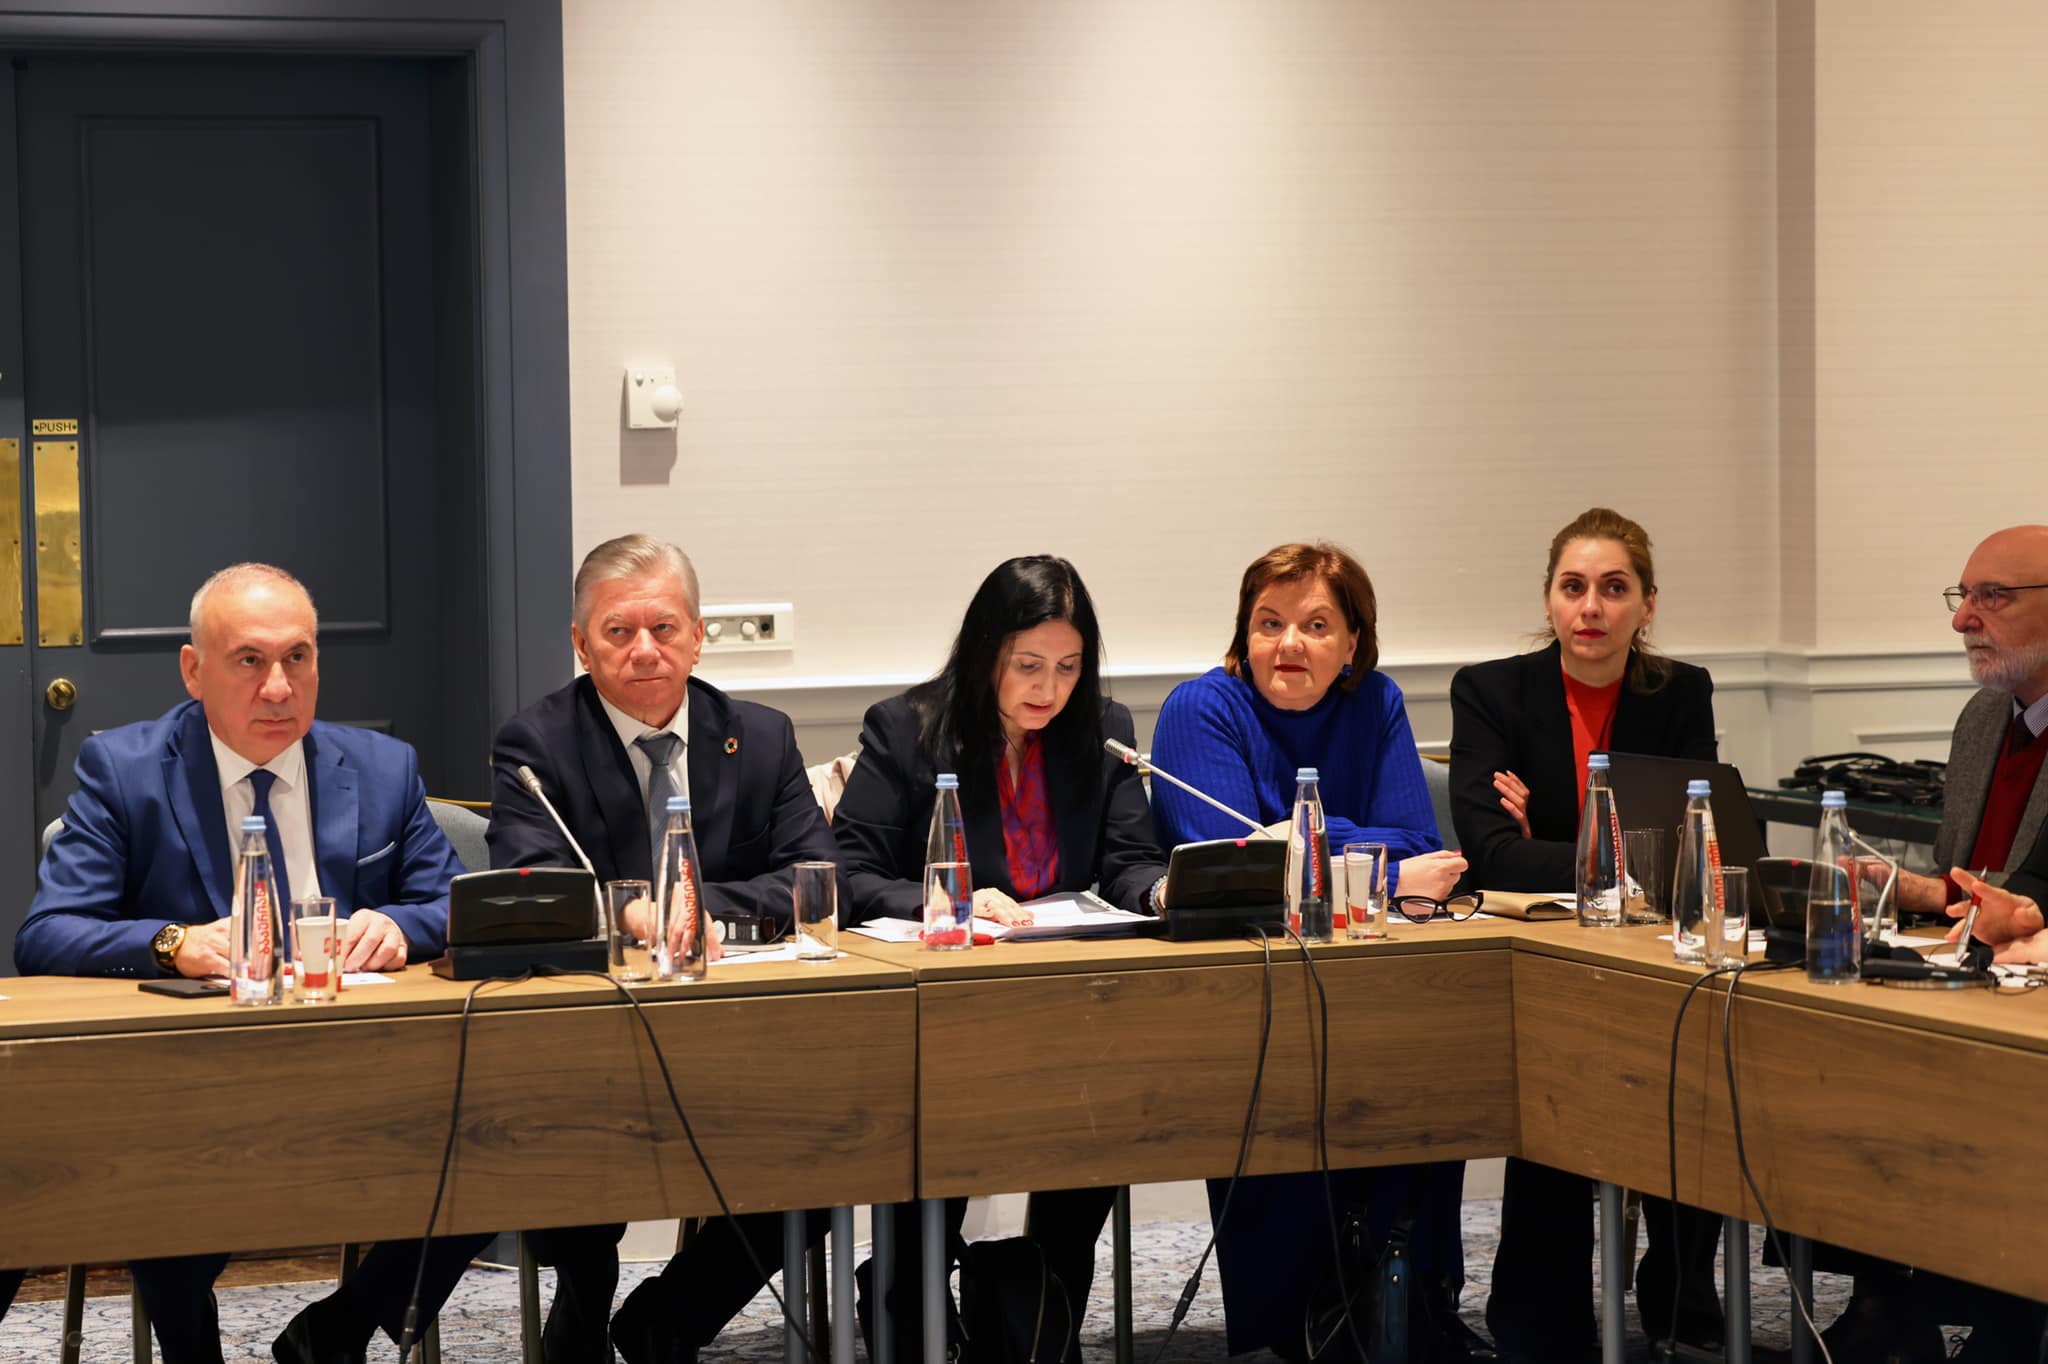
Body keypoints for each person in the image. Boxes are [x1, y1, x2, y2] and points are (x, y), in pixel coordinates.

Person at [276, 534, 840, 1364]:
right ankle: (573, 1288)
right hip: (586, 1037)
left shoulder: (759, 736)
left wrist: (688, 908)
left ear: (697, 636)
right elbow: (532, 885)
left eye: (664, 628)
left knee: (840, 1131)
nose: (644, 650)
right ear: (581, 643)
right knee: (528, 1135)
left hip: (739, 1028)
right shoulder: (537, 744)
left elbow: (815, 878)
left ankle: (669, 1318)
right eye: (618, 631)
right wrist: (630, 912)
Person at [16, 563, 464, 1364]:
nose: (279, 687)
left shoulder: (383, 769)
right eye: (250, 660)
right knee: (156, 1168)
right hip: (195, 1084)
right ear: (195, 672)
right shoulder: (124, 770)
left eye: (298, 658)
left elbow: (457, 907)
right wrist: (173, 944)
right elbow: (49, 933)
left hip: (367, 1071)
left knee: (499, 1138)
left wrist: (398, 926)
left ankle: (341, 1329)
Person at [1149, 541, 1482, 1364]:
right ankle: (1301, 1325)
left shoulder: (1377, 702)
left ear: (1353, 644)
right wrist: (1378, 864)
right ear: (1243, 635)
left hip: (1371, 975)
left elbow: (1423, 843)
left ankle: (1411, 1304)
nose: (1288, 644)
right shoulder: (1200, 709)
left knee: (1437, 1061)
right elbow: (1230, 870)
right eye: (1268, 624)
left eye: (1315, 626)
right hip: (1245, 990)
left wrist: (1300, 840)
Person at [833, 554, 1168, 1362]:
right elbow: (845, 872)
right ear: (987, 652)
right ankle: (912, 1295)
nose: (1049, 688)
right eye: (1028, 665)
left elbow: (1128, 860)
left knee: (1100, 1125)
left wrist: (1162, 890)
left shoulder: (1104, 731)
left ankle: (1043, 1308)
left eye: (1068, 667)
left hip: (1068, 999)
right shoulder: (908, 729)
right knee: (943, 1137)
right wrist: (946, 899)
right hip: (946, 1007)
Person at [1447, 507, 1721, 1362]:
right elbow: (1490, 855)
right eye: (1573, 587)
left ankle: (1681, 1292)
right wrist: (1603, 853)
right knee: (1555, 1101)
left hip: (1654, 952)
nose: (1591, 607)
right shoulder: (1490, 692)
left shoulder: (1681, 692)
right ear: (1549, 599)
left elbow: (1692, 850)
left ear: (1647, 605)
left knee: (1701, 1074)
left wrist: (1552, 847)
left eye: (1614, 588)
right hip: (1542, 955)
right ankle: (1539, 1318)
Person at [1892, 526, 2048, 917]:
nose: (1961, 621)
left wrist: (1934, 893)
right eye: (1963, 596)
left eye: (1991, 596)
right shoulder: (1981, 716)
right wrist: (1919, 890)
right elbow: (1954, 870)